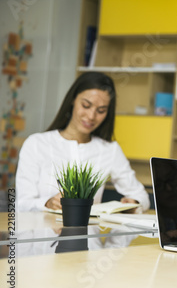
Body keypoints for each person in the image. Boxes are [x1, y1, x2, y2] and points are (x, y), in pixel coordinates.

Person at [16, 72, 150, 212]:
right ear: (73, 100)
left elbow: (142, 197)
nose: (91, 116)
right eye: (86, 105)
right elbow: (20, 204)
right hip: (42, 232)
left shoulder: (109, 150)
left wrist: (133, 203)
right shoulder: (36, 144)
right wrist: (48, 203)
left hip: (88, 233)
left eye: (101, 110)